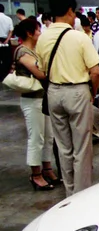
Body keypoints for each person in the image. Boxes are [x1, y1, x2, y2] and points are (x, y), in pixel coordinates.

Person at [37, 0, 99, 196]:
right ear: (69, 11)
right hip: (77, 91)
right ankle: (81, 195)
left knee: (63, 146)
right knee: (82, 147)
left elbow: (41, 69)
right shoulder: (79, 37)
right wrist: (92, 93)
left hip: (54, 92)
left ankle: (69, 191)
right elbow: (95, 72)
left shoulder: (43, 37)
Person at [13, 18, 60, 191]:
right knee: (36, 138)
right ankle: (36, 174)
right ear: (29, 33)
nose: (40, 34)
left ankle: (47, 168)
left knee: (48, 136)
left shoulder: (34, 50)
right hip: (31, 99)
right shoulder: (23, 52)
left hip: (43, 98)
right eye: (38, 31)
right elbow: (40, 73)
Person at [0, 4, 14, 81]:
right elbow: (11, 31)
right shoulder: (8, 19)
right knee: (7, 59)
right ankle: (4, 76)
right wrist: (7, 40)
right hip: (6, 40)